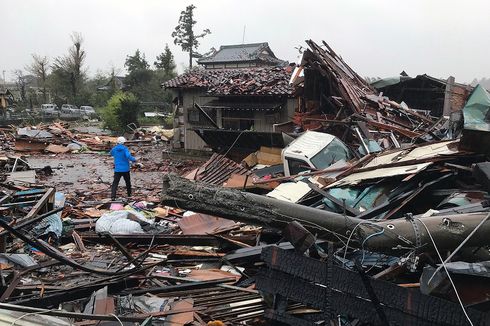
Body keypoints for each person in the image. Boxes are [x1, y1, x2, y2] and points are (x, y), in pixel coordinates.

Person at [110, 136, 136, 201]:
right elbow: (128, 156)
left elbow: (111, 153)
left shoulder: (114, 149)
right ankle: (129, 194)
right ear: (124, 142)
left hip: (117, 169)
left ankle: (113, 196)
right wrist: (134, 159)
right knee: (127, 182)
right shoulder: (125, 148)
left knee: (115, 183)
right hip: (125, 169)